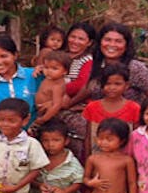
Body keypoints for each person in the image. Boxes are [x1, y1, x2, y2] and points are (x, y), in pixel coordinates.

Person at [73, 22, 148, 105]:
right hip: (98, 115)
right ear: (100, 42)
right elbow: (88, 88)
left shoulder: (134, 68)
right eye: (107, 40)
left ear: (126, 45)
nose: (112, 45)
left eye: (118, 41)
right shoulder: (95, 64)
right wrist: (70, 104)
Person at [55, 23, 97, 159]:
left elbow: (81, 84)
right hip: (54, 102)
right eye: (73, 37)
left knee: (81, 130)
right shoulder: (59, 56)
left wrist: (57, 89)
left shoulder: (87, 60)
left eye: (81, 39)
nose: (75, 41)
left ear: (89, 42)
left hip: (76, 105)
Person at [82, 63, 141, 156]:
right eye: (107, 84)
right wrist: (88, 158)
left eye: (117, 84)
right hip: (98, 160)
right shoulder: (92, 107)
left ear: (126, 85)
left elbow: (137, 139)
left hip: (124, 162)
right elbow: (88, 136)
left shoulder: (134, 108)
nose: (112, 88)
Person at [32, 50, 70, 128]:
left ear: (65, 71)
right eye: (46, 67)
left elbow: (56, 105)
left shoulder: (57, 85)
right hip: (40, 111)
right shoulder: (49, 78)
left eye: (54, 69)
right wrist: (36, 70)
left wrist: (44, 119)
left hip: (49, 116)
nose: (49, 71)